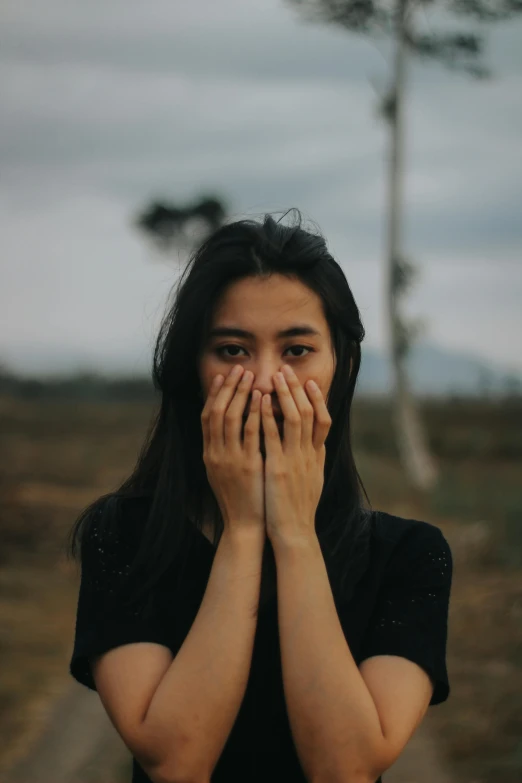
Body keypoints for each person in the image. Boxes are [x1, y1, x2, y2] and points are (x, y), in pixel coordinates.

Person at [67, 209, 453, 783]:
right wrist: (245, 530)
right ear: (190, 367)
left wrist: (294, 533)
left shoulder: (409, 555)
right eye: (231, 350)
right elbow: (175, 761)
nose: (266, 380)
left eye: (296, 350)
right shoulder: (123, 535)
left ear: (341, 366)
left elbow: (345, 768)